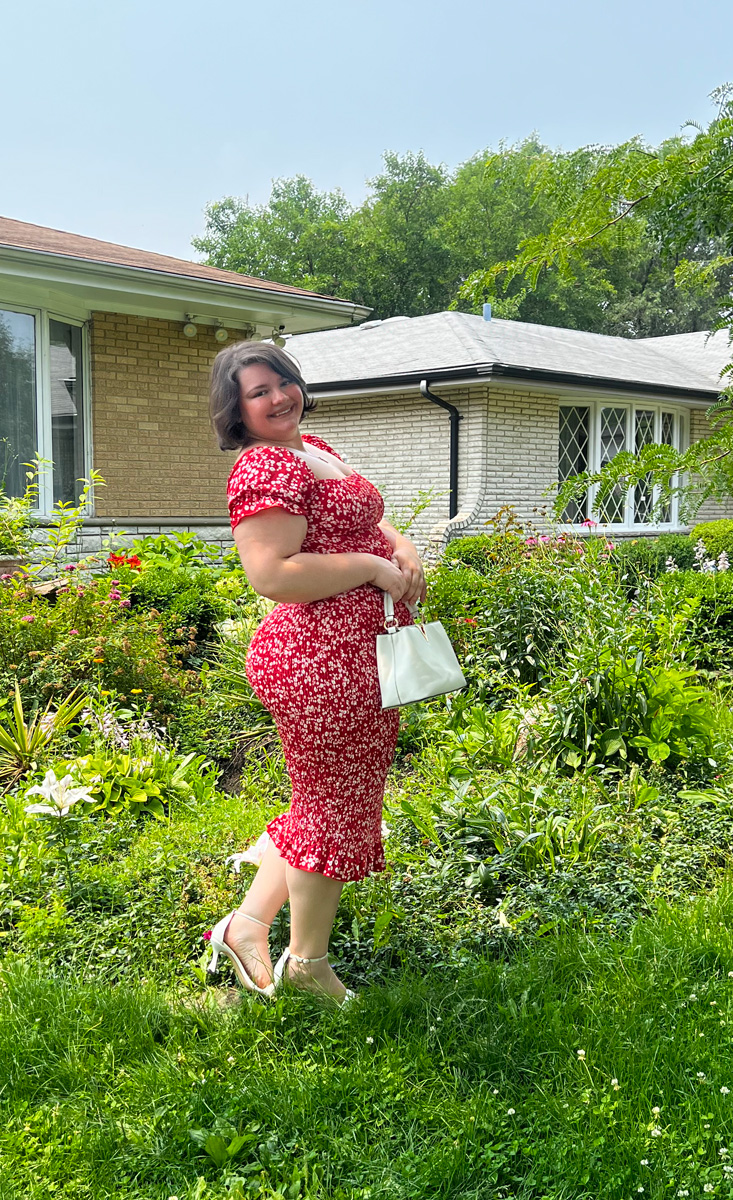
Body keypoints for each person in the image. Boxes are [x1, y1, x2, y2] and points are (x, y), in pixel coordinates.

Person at [206, 341, 426, 1003]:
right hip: (315, 665)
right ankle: (307, 964)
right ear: (236, 410)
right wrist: (371, 569)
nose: (277, 398)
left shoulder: (315, 448)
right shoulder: (264, 466)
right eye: (257, 392)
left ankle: (244, 928)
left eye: (282, 382)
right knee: (330, 812)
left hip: (358, 659)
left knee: (323, 806)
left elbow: (372, 519)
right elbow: (271, 573)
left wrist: (404, 550)